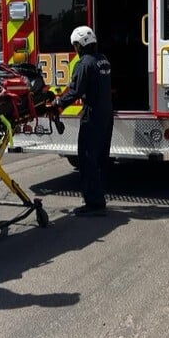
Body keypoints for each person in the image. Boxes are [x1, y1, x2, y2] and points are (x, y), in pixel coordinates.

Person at [51, 25, 113, 216]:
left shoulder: (84, 64)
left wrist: (58, 103)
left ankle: (94, 203)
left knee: (87, 159)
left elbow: (75, 91)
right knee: (100, 159)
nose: (74, 49)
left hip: (92, 115)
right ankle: (98, 195)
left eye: (75, 45)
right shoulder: (103, 60)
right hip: (106, 115)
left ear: (79, 45)